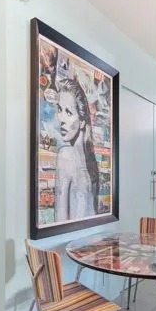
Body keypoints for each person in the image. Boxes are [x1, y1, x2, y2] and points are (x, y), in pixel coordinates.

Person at [55, 78, 99, 221]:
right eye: (60, 110)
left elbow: (60, 218)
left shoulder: (66, 155)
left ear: (82, 121)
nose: (60, 118)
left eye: (68, 112)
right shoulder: (91, 160)